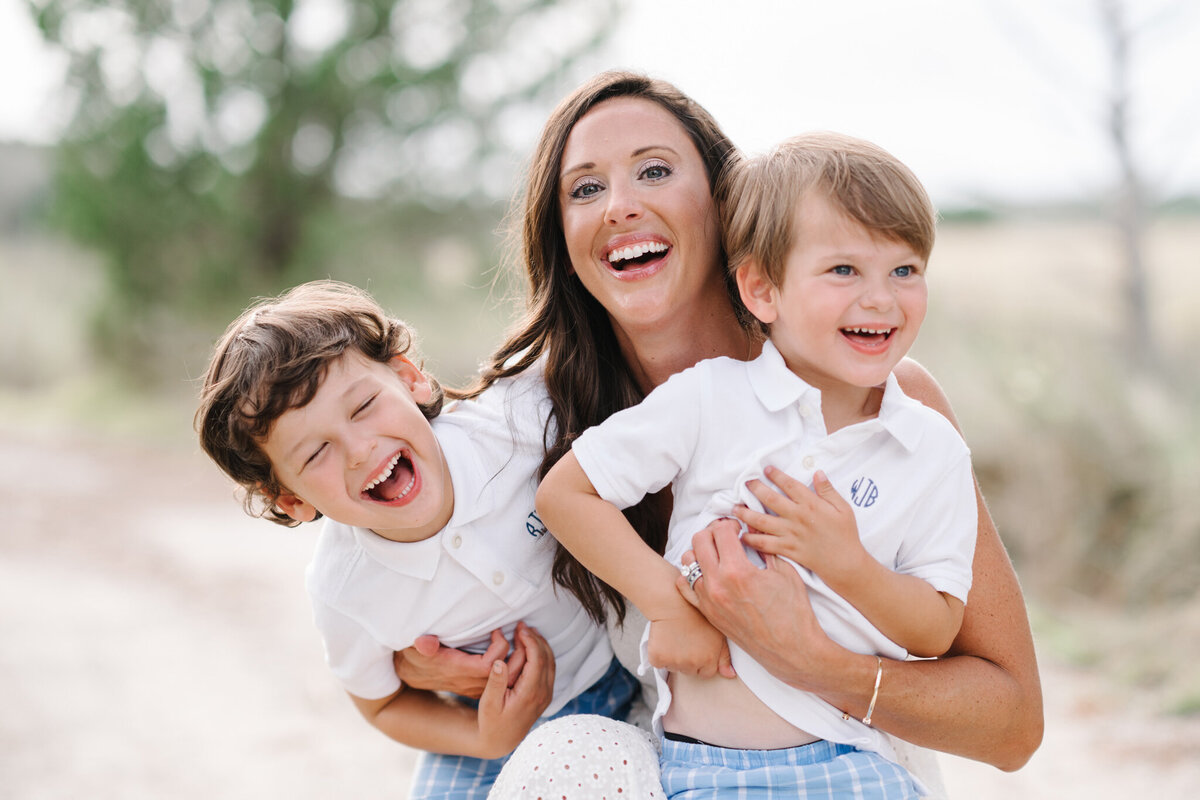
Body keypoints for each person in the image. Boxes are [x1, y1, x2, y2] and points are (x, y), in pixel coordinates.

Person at [393, 71, 1043, 797]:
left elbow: (1012, 728)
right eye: (585, 189)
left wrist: (810, 658)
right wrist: (428, 667)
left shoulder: (883, 403)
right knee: (545, 759)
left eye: (655, 171)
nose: (621, 205)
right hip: (672, 745)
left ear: (727, 203)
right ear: (564, 234)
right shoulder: (527, 420)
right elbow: (376, 550)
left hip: (839, 749)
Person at [536, 131, 975, 798]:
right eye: (844, 270)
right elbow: (566, 496)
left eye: (905, 269)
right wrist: (670, 605)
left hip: (851, 760)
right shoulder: (711, 397)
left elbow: (939, 628)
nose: (882, 299)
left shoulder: (929, 445)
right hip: (704, 766)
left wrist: (846, 564)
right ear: (762, 291)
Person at [194, 280, 637, 800]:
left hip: (623, 675)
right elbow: (380, 704)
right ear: (290, 499)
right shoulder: (346, 589)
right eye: (316, 454)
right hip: (487, 734)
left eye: (362, 407)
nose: (360, 450)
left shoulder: (520, 423)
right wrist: (484, 736)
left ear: (409, 378)